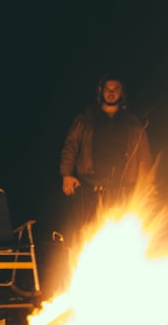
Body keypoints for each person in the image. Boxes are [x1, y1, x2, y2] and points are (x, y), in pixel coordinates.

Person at [58, 73, 153, 236]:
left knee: (121, 232)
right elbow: (71, 145)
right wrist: (66, 174)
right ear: (101, 91)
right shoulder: (86, 120)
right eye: (107, 89)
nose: (111, 92)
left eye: (116, 89)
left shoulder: (133, 124)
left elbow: (144, 155)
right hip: (89, 186)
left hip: (122, 188)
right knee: (87, 231)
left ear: (122, 92)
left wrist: (148, 183)